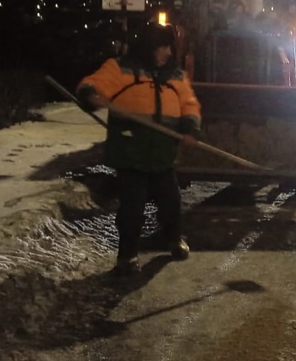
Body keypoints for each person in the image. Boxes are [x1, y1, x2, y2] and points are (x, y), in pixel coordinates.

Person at [76, 23, 202, 276]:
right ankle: (127, 256)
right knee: (132, 207)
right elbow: (92, 84)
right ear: (148, 47)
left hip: (162, 153)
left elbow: (188, 103)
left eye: (169, 47)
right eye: (162, 47)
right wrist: (90, 95)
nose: (167, 53)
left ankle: (174, 239)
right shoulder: (120, 68)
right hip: (131, 152)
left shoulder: (175, 74)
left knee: (171, 202)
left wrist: (189, 127)